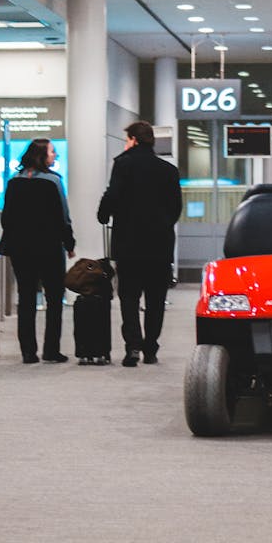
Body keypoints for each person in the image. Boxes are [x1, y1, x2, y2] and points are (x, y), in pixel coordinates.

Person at [97, 120, 182, 367]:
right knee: (156, 300)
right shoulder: (168, 170)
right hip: (159, 245)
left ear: (134, 139)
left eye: (126, 139)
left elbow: (113, 195)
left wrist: (104, 214)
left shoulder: (123, 164)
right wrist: (162, 224)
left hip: (128, 245)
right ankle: (151, 348)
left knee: (129, 297)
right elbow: (176, 208)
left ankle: (133, 346)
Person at [0, 138, 75, 364]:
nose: (55, 156)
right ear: (41, 155)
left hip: (21, 250)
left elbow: (6, 218)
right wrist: (69, 244)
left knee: (27, 298)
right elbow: (63, 216)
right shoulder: (53, 181)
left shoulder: (14, 182)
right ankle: (51, 350)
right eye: (52, 152)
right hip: (49, 248)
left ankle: (28, 351)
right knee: (53, 299)